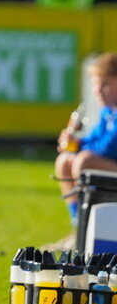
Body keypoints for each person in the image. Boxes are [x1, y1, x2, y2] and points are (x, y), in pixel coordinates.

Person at [55, 53, 117, 227]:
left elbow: (108, 148)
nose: (97, 90)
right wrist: (73, 142)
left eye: (105, 84)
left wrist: (79, 145)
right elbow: (95, 138)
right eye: (95, 84)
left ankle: (88, 222)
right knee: (64, 160)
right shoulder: (108, 111)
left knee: (84, 160)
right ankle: (78, 222)